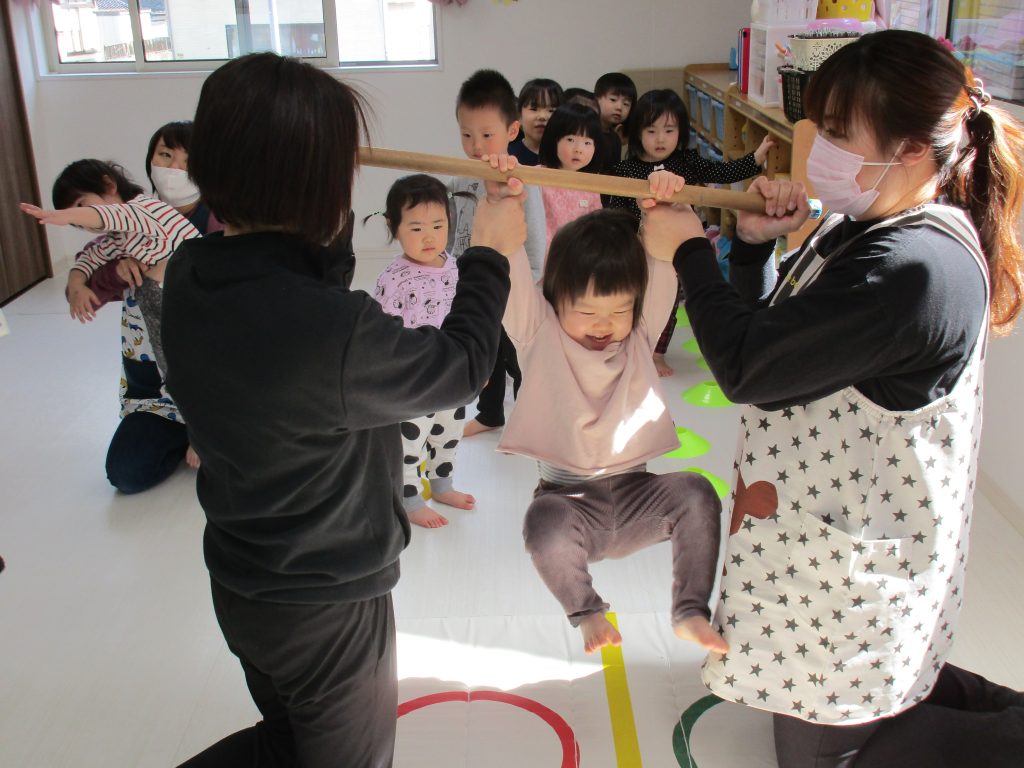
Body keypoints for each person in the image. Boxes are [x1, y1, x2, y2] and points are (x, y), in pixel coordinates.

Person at [644, 30, 1024, 767]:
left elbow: (748, 365)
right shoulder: (866, 226)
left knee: (823, 755)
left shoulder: (912, 270)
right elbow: (776, 339)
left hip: (854, 569)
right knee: (833, 701)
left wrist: (691, 251)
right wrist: (751, 246)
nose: (817, 148)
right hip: (825, 544)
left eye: (840, 133)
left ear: (910, 149)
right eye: (820, 126)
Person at [161, 53, 525, 768]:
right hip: (325, 610)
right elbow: (461, 367)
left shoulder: (191, 274)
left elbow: (298, 275)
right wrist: (488, 253)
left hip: (241, 583)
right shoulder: (334, 334)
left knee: (286, 743)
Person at [496, 164, 728, 656]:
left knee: (697, 492)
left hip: (639, 496)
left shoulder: (639, 334)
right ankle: (587, 613)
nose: (604, 325)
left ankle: (690, 610)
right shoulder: (538, 332)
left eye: (619, 311)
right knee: (542, 522)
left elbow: (660, 262)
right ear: (553, 297)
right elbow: (510, 262)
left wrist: (658, 208)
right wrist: (506, 201)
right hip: (570, 501)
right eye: (587, 311)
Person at [19, 159, 201, 493]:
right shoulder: (120, 237)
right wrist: (77, 283)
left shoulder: (146, 210)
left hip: (196, 348)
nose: (81, 221)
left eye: (81, 206)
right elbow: (91, 256)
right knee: (126, 474)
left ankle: (205, 434)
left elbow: (108, 216)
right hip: (156, 388)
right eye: (76, 219)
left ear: (109, 185)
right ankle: (185, 433)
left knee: (195, 372)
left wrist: (63, 216)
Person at [606, 88, 773, 376]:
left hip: (678, 251)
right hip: (638, 252)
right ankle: (632, 347)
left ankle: (657, 353)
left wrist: (756, 158)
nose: (660, 139)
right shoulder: (626, 169)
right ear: (636, 133)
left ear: (680, 132)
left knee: (670, 302)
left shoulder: (687, 162)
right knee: (635, 300)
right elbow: (615, 213)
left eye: (669, 130)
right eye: (651, 131)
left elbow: (722, 173)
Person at [371, 174, 476, 528]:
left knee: (449, 433)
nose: (429, 237)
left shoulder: (457, 269)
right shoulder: (393, 278)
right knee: (410, 442)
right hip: (414, 379)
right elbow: (383, 334)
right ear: (394, 227)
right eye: (416, 228)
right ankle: (409, 496)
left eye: (438, 225)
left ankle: (442, 484)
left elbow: (469, 320)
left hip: (452, 373)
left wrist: (478, 366)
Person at [448, 69, 545, 438]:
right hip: (474, 284)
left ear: (512, 131)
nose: (476, 146)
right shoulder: (457, 180)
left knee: (518, 357)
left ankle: (528, 417)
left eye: (487, 135)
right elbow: (451, 235)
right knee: (485, 354)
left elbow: (536, 240)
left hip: (513, 288)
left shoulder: (523, 181)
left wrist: (530, 283)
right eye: (467, 135)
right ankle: (490, 414)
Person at [535, 102, 603, 255]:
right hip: (542, 256)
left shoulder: (593, 183)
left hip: (579, 258)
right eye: (570, 140)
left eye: (587, 142)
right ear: (554, 139)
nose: (578, 149)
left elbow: (596, 226)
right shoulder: (537, 176)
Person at [145, 120, 223, 235]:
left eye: (189, 160)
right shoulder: (139, 216)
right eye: (166, 154)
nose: (174, 167)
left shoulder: (219, 221)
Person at [509, 78, 563, 167]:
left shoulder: (569, 160)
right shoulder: (507, 155)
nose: (542, 116)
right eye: (534, 109)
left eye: (551, 110)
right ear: (519, 116)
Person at [593, 72, 636, 172]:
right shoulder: (586, 132)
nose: (619, 107)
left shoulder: (615, 139)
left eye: (626, 104)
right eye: (613, 99)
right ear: (597, 99)